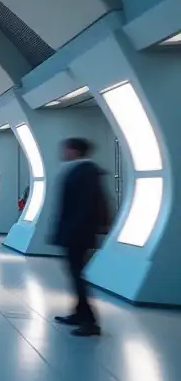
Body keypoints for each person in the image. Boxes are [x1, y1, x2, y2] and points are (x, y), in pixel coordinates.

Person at [51, 137, 110, 337]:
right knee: (75, 273)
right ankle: (79, 313)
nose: (64, 153)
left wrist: (73, 230)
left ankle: (90, 321)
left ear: (74, 151)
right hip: (76, 231)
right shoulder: (78, 169)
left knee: (77, 275)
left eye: (66, 149)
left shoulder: (85, 171)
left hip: (79, 232)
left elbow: (86, 205)